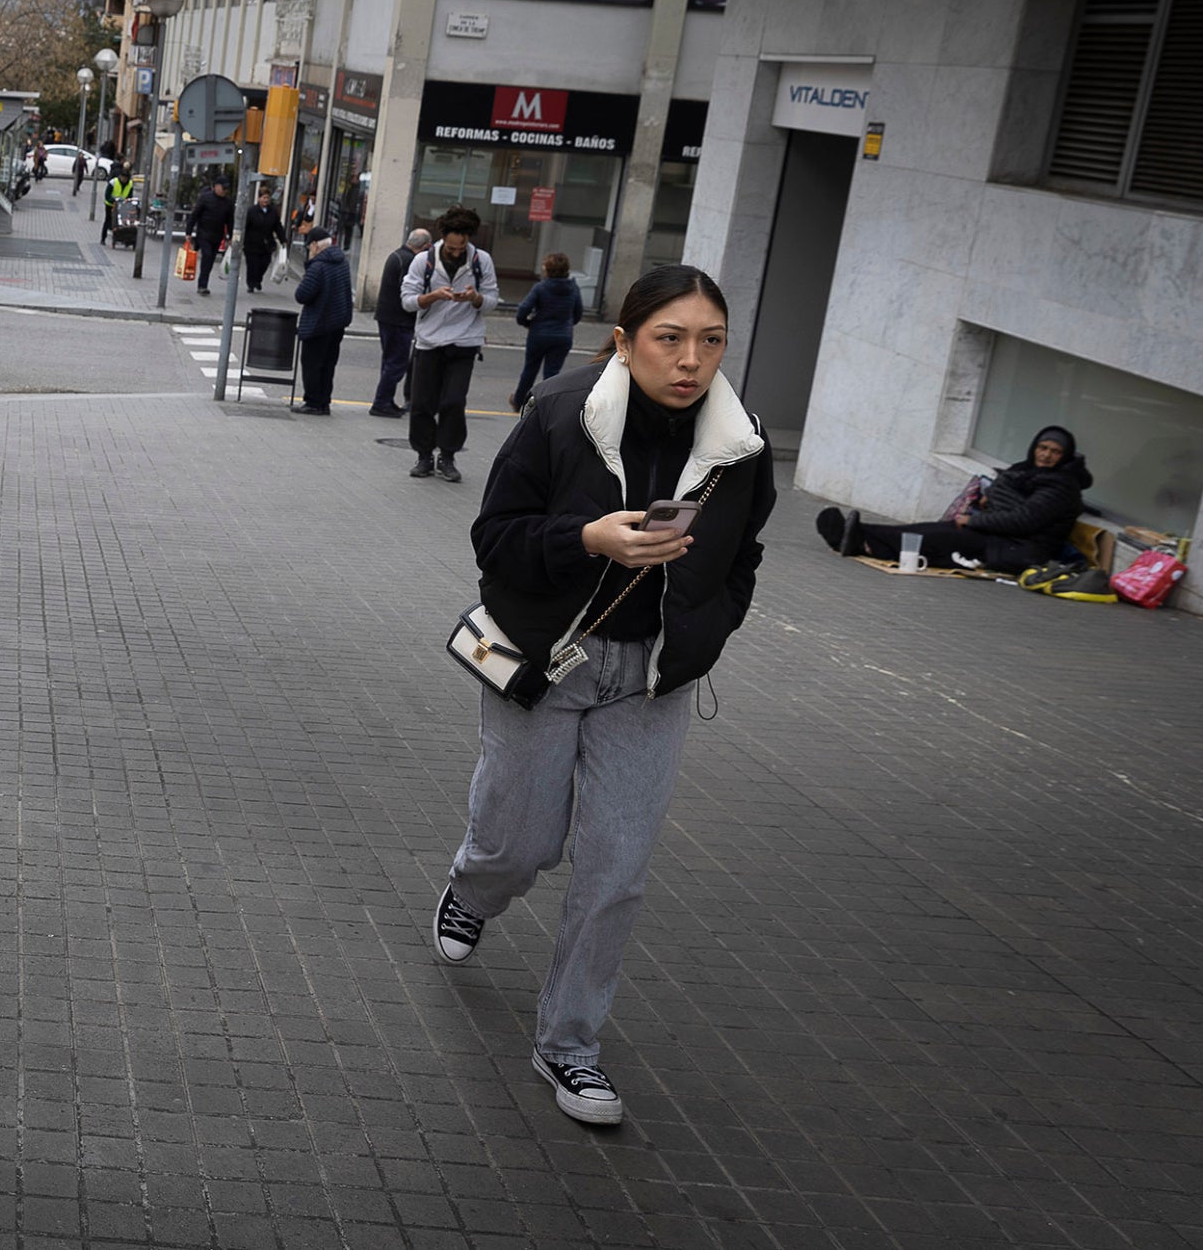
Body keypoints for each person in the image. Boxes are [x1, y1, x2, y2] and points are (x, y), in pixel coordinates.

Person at [436, 264, 775, 1128]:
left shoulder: (741, 444)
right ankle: (474, 890)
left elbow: (744, 554)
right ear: (626, 341)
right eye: (670, 338)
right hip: (548, 659)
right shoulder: (561, 411)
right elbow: (494, 537)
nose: (691, 360)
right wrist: (585, 538)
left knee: (617, 866)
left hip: (652, 679)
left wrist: (710, 629)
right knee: (521, 841)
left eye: (711, 340)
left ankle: (570, 1042)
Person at [816, 427, 1090, 573]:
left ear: (1064, 456)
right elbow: (1007, 497)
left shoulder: (1062, 486)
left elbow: (1023, 520)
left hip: (1016, 547)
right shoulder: (1026, 471)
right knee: (927, 530)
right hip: (996, 533)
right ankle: (860, 536)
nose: (1046, 455)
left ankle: (861, 540)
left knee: (939, 537)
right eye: (1042, 448)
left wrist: (975, 518)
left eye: (1055, 451)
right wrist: (986, 503)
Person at [401, 206, 498, 482]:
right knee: (421, 403)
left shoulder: (482, 261)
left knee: (453, 401)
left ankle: (448, 456)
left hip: (465, 341)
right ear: (443, 238)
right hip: (429, 341)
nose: (457, 252)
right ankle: (423, 456)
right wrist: (432, 296)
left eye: (461, 247)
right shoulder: (424, 261)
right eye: (452, 248)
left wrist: (475, 298)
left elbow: (492, 301)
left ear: (468, 239)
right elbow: (407, 301)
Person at [366, 227, 430, 418]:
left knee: (390, 361)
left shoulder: (397, 255)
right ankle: (381, 402)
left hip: (387, 317)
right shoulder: (409, 261)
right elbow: (409, 290)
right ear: (425, 246)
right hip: (398, 319)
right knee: (396, 363)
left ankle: (386, 400)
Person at [290, 225, 352, 414]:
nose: (309, 250)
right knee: (328, 364)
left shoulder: (318, 266)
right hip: (337, 322)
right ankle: (324, 402)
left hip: (318, 323)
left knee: (312, 364)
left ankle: (313, 402)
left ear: (316, 245)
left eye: (309, 247)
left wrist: (309, 265)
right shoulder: (342, 262)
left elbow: (302, 295)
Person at [510, 253, 584, 410]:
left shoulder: (541, 287)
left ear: (547, 270)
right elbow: (578, 313)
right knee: (552, 372)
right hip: (562, 336)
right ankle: (548, 405)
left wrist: (526, 322)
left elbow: (523, 309)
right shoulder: (573, 288)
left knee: (530, 369)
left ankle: (518, 401)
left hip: (539, 334)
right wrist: (568, 324)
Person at [188, 179, 235, 297]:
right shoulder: (205, 198)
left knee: (210, 260)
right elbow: (195, 215)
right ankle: (202, 285)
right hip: (203, 234)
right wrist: (188, 232)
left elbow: (230, 221)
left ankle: (204, 282)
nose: (225, 190)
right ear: (216, 187)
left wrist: (230, 236)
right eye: (223, 187)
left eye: (226, 188)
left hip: (217, 235)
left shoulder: (228, 203)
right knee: (207, 256)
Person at [240, 183, 282, 293]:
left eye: (267, 198)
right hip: (252, 244)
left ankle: (258, 280)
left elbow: (277, 226)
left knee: (263, 264)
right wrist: (241, 240)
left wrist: (283, 239)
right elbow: (245, 226)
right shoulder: (252, 211)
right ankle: (251, 284)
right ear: (259, 199)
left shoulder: (273, 212)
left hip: (266, 244)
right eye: (264, 198)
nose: (266, 200)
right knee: (252, 265)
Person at [103, 171, 135, 245]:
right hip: (110, 205)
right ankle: (103, 238)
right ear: (120, 176)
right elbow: (107, 195)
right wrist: (113, 200)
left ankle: (124, 239)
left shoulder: (130, 184)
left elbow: (130, 195)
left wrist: (127, 201)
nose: (124, 180)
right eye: (123, 178)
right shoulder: (113, 182)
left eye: (126, 178)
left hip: (123, 205)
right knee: (108, 220)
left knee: (123, 222)